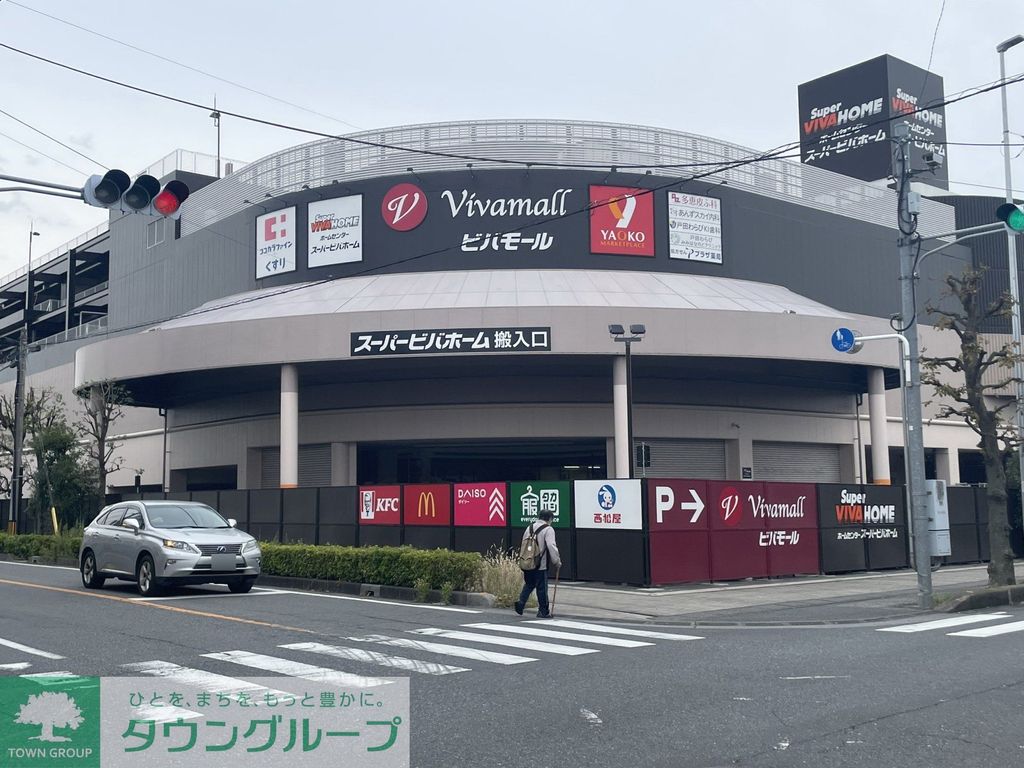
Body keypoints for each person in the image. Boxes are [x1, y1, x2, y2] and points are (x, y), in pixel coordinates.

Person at [514, 509, 561, 618]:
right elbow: (551, 546)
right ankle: (543, 611)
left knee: (529, 584)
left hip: (527, 561)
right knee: (541, 588)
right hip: (540, 564)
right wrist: (556, 561)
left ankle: (521, 603)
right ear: (550, 519)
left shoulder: (529, 528)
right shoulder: (548, 529)